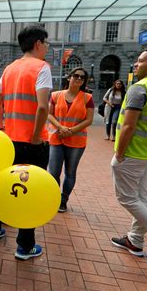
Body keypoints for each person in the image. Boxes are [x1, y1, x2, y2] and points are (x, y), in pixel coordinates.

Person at [0, 25, 52, 260]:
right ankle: (25, 246)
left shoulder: (10, 69)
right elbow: (43, 106)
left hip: (11, 141)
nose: (47, 48)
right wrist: (36, 136)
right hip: (33, 144)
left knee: (6, 185)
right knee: (31, 193)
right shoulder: (41, 68)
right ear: (38, 44)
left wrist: (1, 126)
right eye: (46, 43)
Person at [111, 48, 147, 263]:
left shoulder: (139, 88)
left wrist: (119, 154)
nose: (135, 63)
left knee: (126, 198)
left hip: (132, 153)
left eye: (140, 60)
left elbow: (128, 125)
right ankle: (135, 240)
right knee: (140, 198)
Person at [47, 67, 94, 213]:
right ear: (69, 78)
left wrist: (71, 131)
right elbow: (49, 115)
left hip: (76, 141)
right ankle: (53, 198)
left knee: (70, 172)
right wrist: (61, 127)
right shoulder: (55, 95)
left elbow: (89, 120)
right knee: (54, 172)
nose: (79, 79)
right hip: (57, 137)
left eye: (82, 77)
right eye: (76, 76)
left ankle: (63, 200)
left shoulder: (88, 98)